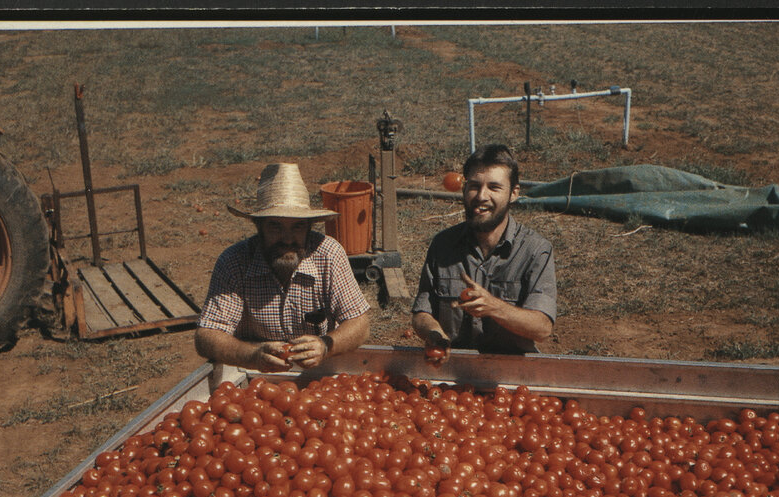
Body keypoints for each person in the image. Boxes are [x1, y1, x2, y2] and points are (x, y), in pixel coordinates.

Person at [195, 162, 370, 373]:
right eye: (276, 226)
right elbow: (207, 336)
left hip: (320, 373)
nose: (287, 239)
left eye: (297, 226)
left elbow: (360, 324)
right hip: (255, 377)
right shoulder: (234, 262)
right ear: (258, 227)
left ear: (309, 227)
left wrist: (325, 345)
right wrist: (252, 355)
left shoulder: (329, 254)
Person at [411, 144, 556, 362]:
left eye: (494, 187)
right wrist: (434, 333)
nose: (481, 196)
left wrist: (494, 306)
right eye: (474, 186)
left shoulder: (535, 251)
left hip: (512, 377)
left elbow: (542, 328)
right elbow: (422, 312)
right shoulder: (443, 245)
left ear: (513, 193)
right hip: (452, 373)